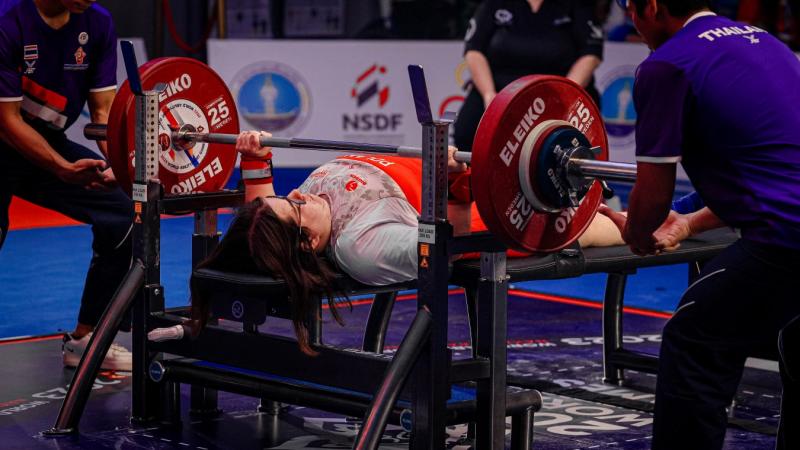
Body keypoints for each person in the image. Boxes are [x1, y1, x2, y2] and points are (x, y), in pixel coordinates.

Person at [600, 1, 800, 448]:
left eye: (631, 8)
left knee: (695, 340)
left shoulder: (666, 66)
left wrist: (637, 232)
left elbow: (652, 197)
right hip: (787, 226)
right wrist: (689, 223)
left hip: (786, 240)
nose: (632, 20)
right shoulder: (768, 43)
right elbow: (771, 173)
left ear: (651, 6)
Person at [0, 0, 133, 371]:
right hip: (4, 134)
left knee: (121, 210)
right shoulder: (7, 21)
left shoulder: (98, 22)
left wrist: (122, 165)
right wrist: (61, 168)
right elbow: (6, 121)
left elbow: (103, 114)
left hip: (44, 140)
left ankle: (85, 339)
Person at [453, 0, 604, 152]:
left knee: (572, 146)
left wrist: (565, 95)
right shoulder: (494, 4)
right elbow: (474, 51)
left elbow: (591, 54)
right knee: (465, 132)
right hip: (500, 93)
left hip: (558, 94)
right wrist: (489, 95)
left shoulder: (577, 6)